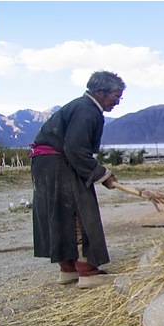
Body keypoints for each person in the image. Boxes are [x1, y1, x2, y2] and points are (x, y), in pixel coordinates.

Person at [30, 70, 126, 289]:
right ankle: (87, 272)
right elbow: (75, 149)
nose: (118, 102)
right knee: (79, 213)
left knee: (59, 213)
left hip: (45, 165)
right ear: (100, 92)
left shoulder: (81, 107)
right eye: (115, 97)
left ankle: (69, 269)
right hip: (59, 164)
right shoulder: (87, 110)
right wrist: (102, 174)